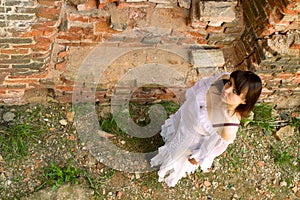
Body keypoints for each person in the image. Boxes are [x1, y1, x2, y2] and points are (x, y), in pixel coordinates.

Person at [150, 70, 262, 187]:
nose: (227, 89)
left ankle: (165, 165)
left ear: (244, 100)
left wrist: (198, 157)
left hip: (188, 139)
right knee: (171, 135)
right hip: (183, 119)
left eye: (235, 91)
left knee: (174, 153)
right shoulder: (222, 80)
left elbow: (213, 147)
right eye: (230, 83)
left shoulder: (228, 126)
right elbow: (201, 85)